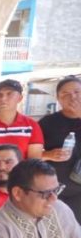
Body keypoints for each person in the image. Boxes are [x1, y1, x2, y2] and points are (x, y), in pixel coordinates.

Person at [39, 76, 81, 222]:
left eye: (77, 92)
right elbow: (28, 154)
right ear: (58, 98)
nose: (73, 97)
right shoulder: (47, 123)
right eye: (66, 94)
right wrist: (47, 155)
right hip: (54, 192)